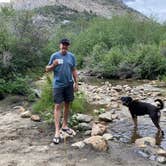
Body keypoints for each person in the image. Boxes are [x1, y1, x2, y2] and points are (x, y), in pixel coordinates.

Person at [45, 38, 78, 144]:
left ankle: (64, 126)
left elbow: (73, 69)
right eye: (63, 44)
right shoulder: (54, 56)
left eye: (66, 45)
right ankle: (57, 132)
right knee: (58, 106)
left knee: (67, 104)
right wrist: (53, 65)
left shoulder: (71, 56)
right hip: (58, 85)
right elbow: (47, 69)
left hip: (69, 84)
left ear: (68, 46)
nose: (64, 46)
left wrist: (76, 82)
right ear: (60, 45)